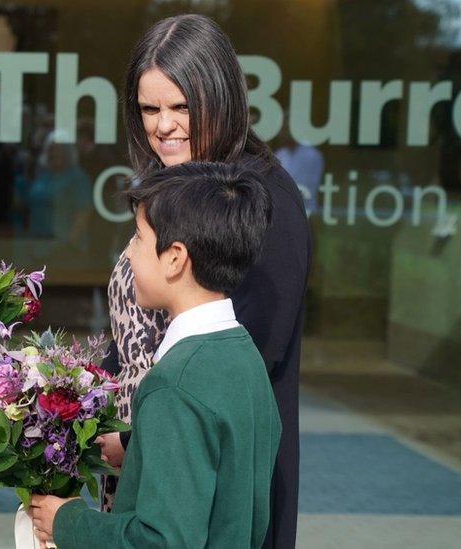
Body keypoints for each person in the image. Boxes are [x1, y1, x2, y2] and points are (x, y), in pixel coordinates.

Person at [95, 15, 310, 549]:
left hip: (206, 475)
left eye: (181, 106)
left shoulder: (257, 197)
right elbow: (136, 332)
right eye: (150, 108)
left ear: (221, 98)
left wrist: (138, 440)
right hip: (146, 459)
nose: (163, 125)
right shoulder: (178, 187)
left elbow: (247, 360)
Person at [30, 161, 281, 548]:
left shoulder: (175, 385)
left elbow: (163, 540)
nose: (127, 254)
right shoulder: (243, 356)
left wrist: (68, 521)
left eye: (138, 239)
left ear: (175, 257)